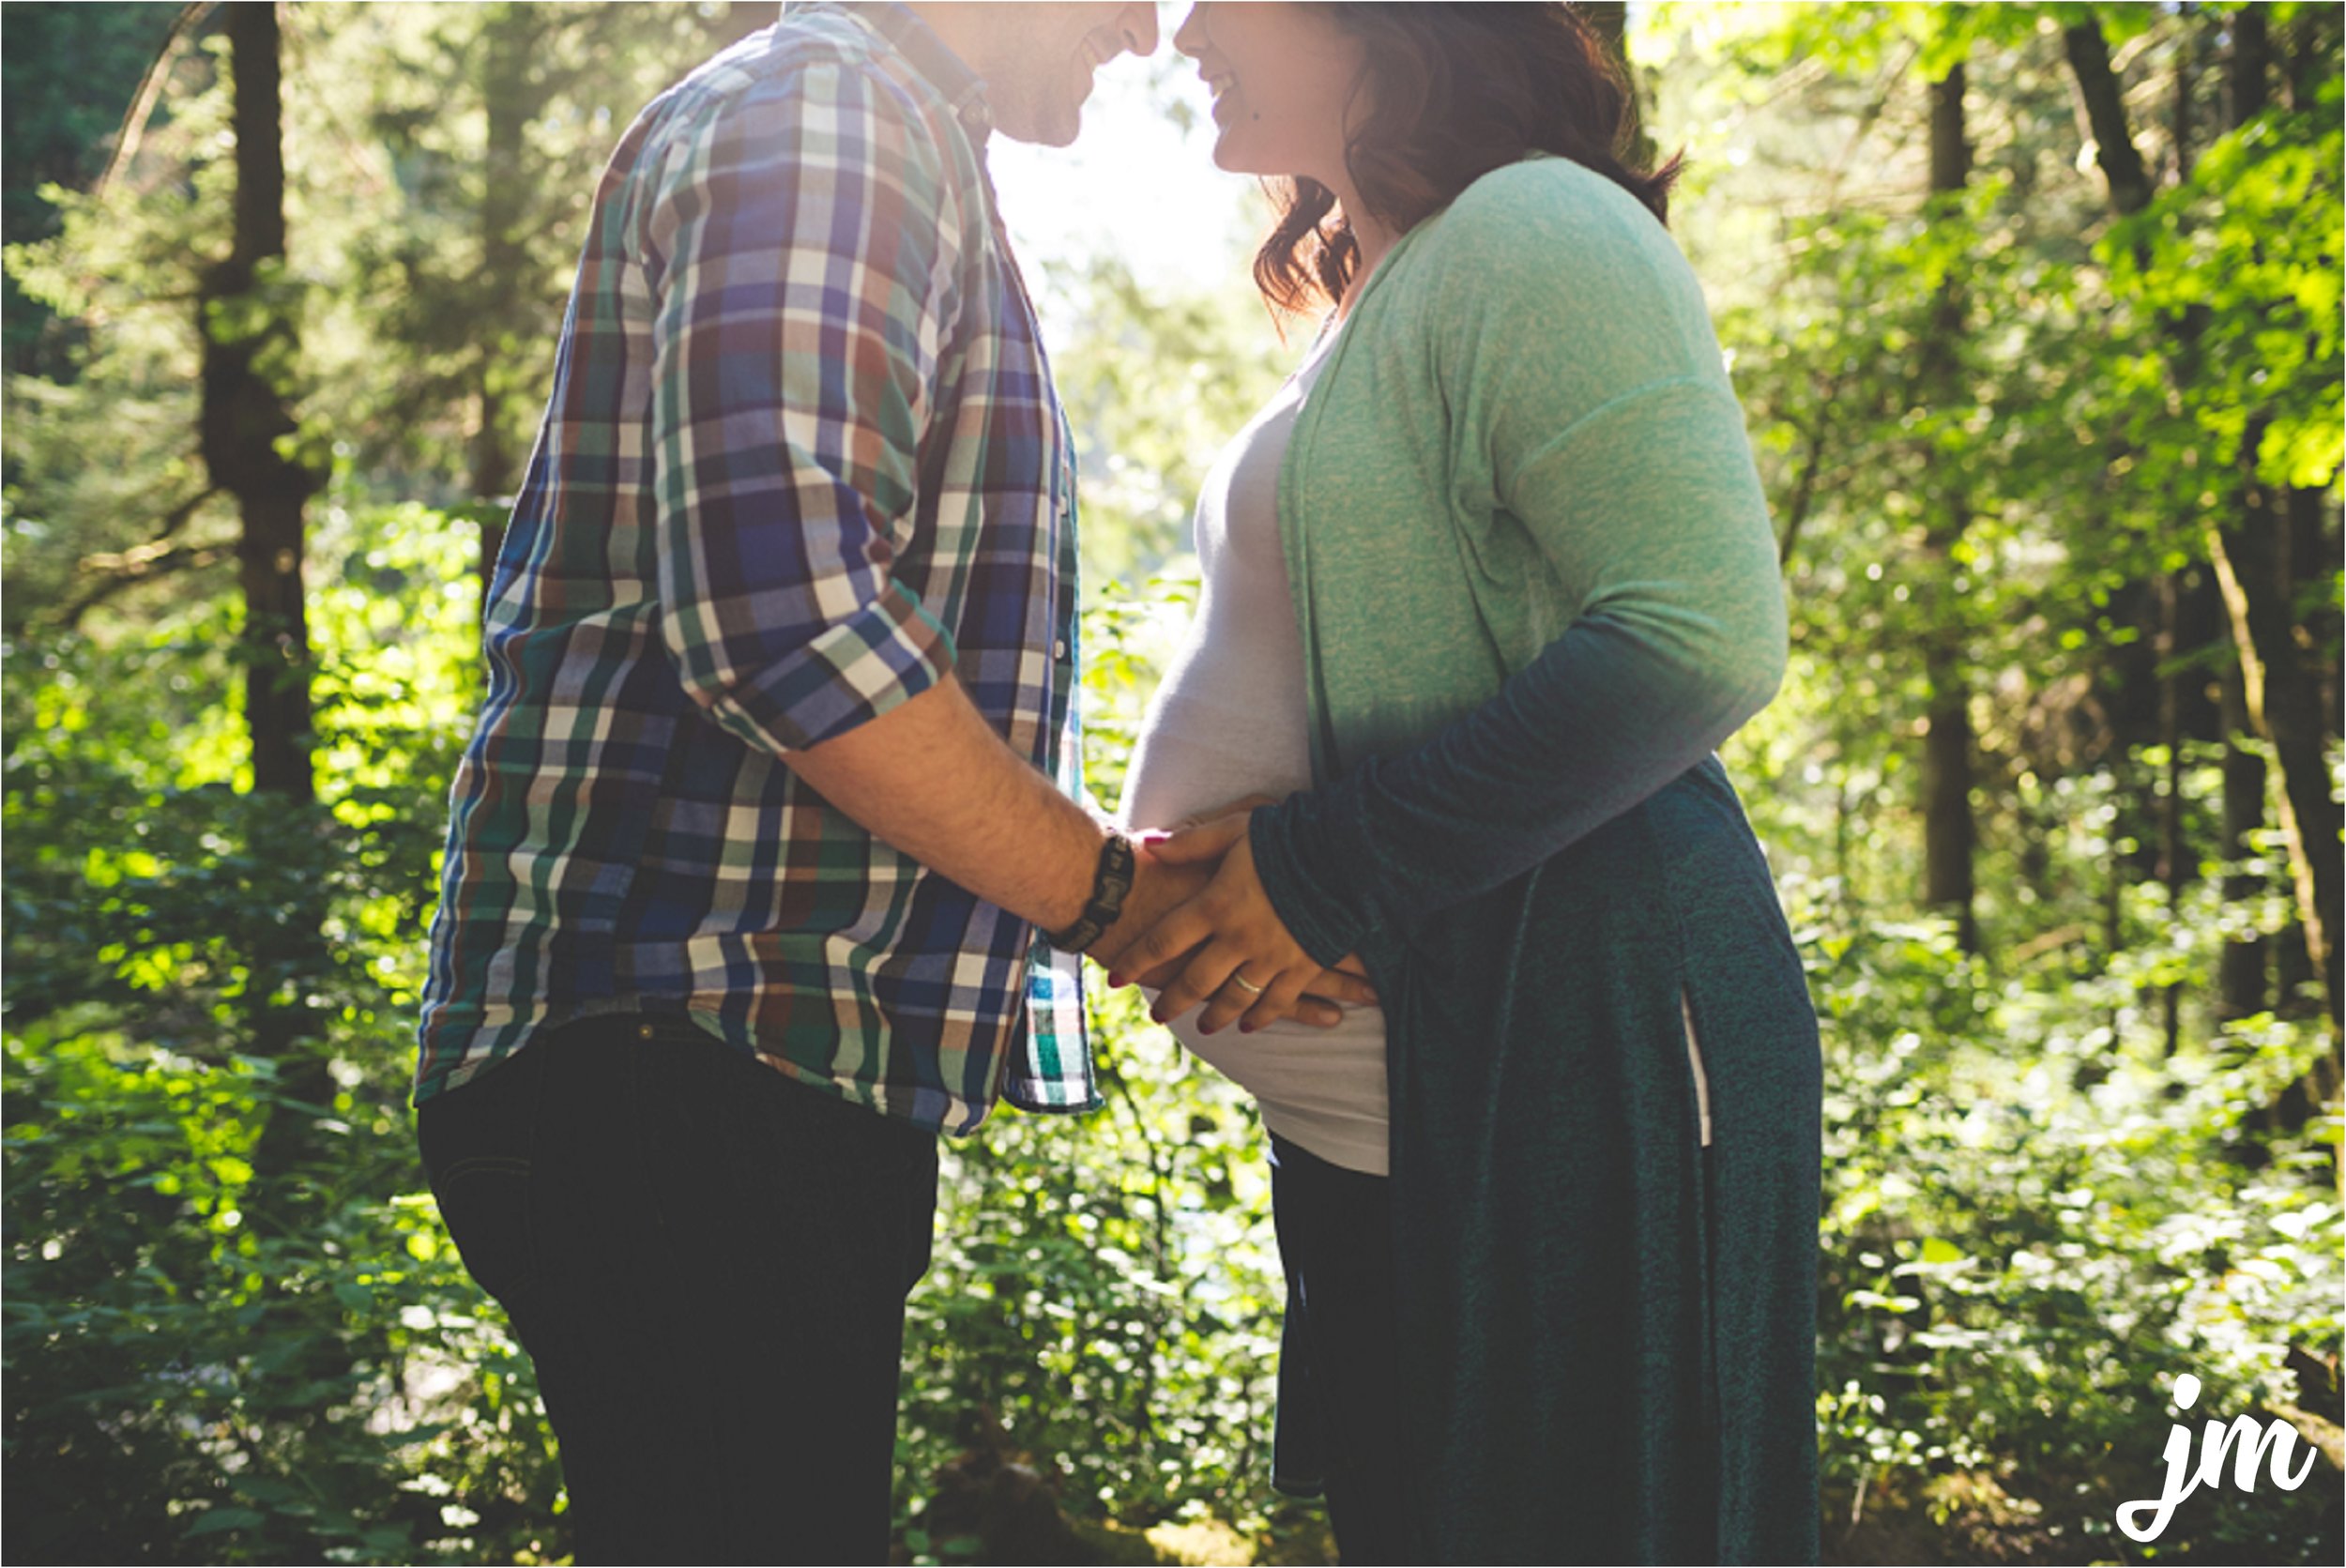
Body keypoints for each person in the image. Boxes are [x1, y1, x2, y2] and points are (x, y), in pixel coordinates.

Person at [413, 4, 1377, 1560]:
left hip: (726, 1068)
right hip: (689, 1058)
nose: (1143, 29)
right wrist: (1119, 897)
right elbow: (779, 619)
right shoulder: (830, 122)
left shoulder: (887, 138)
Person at [1109, 4, 1823, 1561]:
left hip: (1593, 1064)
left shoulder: (1539, 225)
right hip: (1432, 1109)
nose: (1174, 29)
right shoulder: (1397, 282)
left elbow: (1702, 633)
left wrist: (1311, 873)